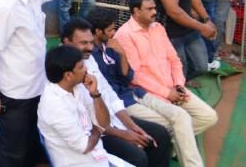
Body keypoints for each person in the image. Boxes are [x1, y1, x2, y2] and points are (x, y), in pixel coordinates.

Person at [0, 0, 127, 166]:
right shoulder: (6, 7)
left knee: (31, 143)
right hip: (17, 93)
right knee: (12, 151)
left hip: (37, 85)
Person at [115, 0, 217, 167]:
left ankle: (175, 143)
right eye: (149, 9)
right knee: (180, 119)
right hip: (149, 94)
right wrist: (166, 93)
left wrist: (178, 85)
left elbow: (174, 59)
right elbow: (136, 75)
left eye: (154, 7)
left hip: (173, 88)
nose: (154, 11)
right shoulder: (125, 35)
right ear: (136, 11)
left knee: (209, 117)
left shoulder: (158, 28)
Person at [60, 18, 172, 167]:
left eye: (91, 42)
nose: (90, 48)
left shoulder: (89, 59)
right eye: (83, 43)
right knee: (137, 156)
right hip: (96, 134)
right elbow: (89, 121)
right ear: (67, 42)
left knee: (160, 134)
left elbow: (110, 95)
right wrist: (125, 134)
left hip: (113, 120)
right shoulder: (62, 72)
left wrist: (132, 126)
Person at [37, 45, 117, 165]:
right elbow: (84, 146)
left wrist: (95, 94)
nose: (86, 69)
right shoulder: (53, 105)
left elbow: (104, 123)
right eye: (81, 67)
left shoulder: (79, 87)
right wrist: (98, 129)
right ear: (68, 75)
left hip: (99, 156)